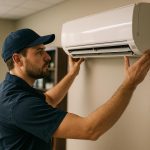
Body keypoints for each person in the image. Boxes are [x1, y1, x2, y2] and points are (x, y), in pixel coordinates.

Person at [0, 28, 150, 150]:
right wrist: (130, 84)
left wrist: (72, 74)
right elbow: (90, 129)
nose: (48, 57)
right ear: (18, 59)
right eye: (39, 52)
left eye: (45, 50)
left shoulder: (12, 90)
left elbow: (50, 99)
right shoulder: (19, 104)